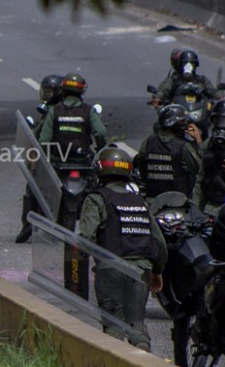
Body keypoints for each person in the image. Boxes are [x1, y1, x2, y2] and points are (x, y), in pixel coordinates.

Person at [79, 147, 167, 351]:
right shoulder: (140, 202)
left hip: (111, 267)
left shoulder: (97, 199)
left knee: (114, 327)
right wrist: (157, 271)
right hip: (141, 271)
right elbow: (159, 242)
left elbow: (85, 238)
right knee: (137, 325)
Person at [16, 74, 64, 243]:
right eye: (46, 91)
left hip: (50, 157)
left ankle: (28, 224)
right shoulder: (74, 110)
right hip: (70, 159)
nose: (48, 94)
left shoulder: (53, 112)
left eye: (51, 91)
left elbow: (42, 139)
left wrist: (35, 159)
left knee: (32, 187)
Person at [134, 103, 202, 199]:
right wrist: (198, 141)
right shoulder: (183, 146)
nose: (185, 126)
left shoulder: (148, 142)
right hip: (179, 202)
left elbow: (140, 166)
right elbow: (199, 169)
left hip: (153, 200)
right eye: (182, 123)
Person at [38, 72, 107, 165]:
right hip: (82, 159)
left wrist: (46, 159)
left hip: (58, 159)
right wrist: (101, 150)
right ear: (82, 90)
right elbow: (100, 132)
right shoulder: (89, 110)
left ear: (62, 89)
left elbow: (44, 140)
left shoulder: (54, 110)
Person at [193, 99, 225, 218]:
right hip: (211, 208)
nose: (221, 124)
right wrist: (196, 211)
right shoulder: (208, 145)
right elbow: (200, 180)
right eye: (217, 119)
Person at [151, 48, 219, 108]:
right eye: (185, 64)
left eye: (191, 64)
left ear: (195, 66)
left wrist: (220, 98)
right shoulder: (173, 80)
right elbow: (163, 90)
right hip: (178, 113)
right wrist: (157, 98)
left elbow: (212, 91)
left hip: (199, 111)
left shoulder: (202, 80)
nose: (188, 67)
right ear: (180, 65)